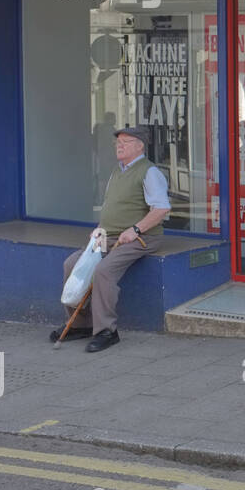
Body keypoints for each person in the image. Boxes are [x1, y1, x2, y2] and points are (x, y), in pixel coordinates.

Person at [53, 126, 170, 352]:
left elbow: (161, 209)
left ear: (140, 146)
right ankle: (81, 324)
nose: (119, 145)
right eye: (118, 142)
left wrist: (135, 230)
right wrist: (99, 228)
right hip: (109, 235)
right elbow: (112, 208)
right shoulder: (117, 171)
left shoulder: (149, 172)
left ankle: (107, 330)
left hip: (142, 237)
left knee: (104, 271)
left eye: (125, 141)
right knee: (71, 265)